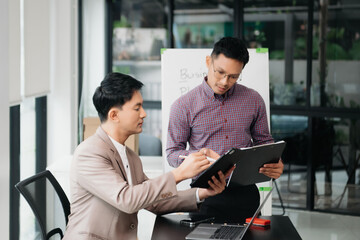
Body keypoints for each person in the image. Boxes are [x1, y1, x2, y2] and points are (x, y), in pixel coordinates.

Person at [63, 73, 233, 240]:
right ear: (114, 115)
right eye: (137, 108)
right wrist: (179, 174)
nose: (144, 113)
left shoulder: (130, 156)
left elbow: (153, 202)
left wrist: (203, 193)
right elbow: (127, 199)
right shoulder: (89, 153)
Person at [166, 37, 284, 221]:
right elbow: (173, 153)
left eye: (233, 76)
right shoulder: (183, 106)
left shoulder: (254, 100)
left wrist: (274, 162)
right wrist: (201, 159)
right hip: (205, 194)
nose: (224, 81)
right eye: (220, 72)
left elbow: (264, 142)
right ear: (208, 62)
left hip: (246, 193)